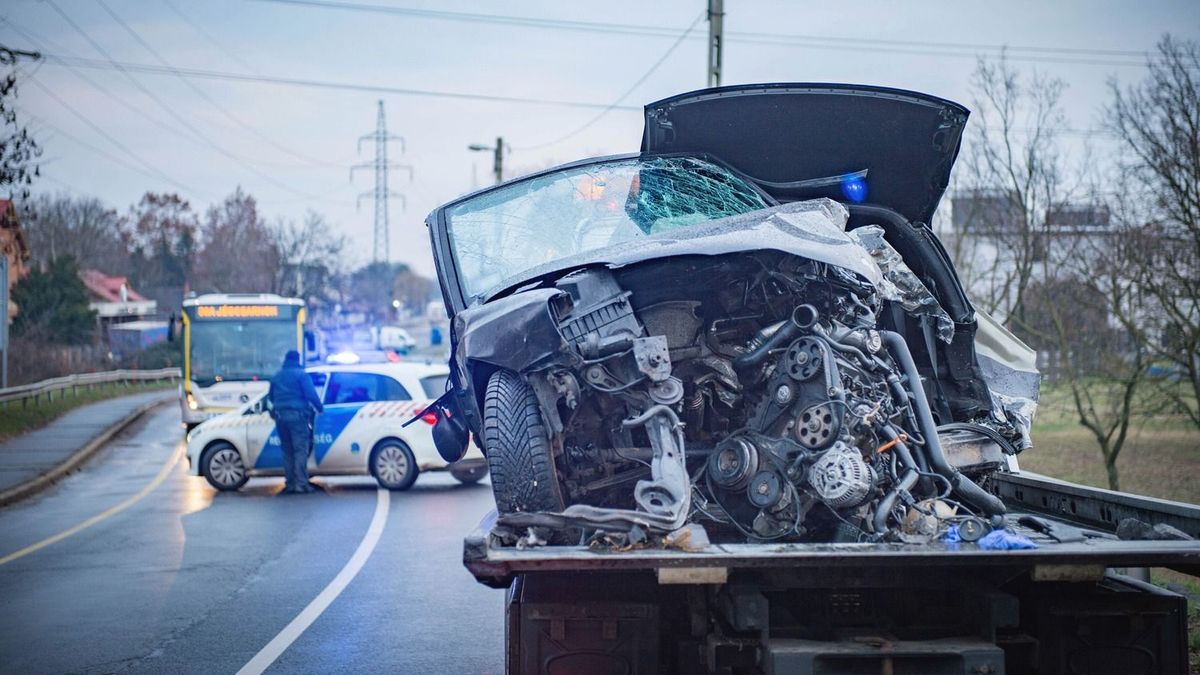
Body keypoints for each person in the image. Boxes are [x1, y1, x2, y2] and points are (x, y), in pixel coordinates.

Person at [267, 350, 324, 493]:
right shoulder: (301, 375)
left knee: (287, 451)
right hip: (298, 417)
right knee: (300, 450)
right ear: (298, 360)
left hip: (281, 418)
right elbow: (311, 394)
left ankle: (290, 483)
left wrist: (274, 413)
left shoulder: (276, 377)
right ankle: (301, 484)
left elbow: (270, 399)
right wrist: (320, 408)